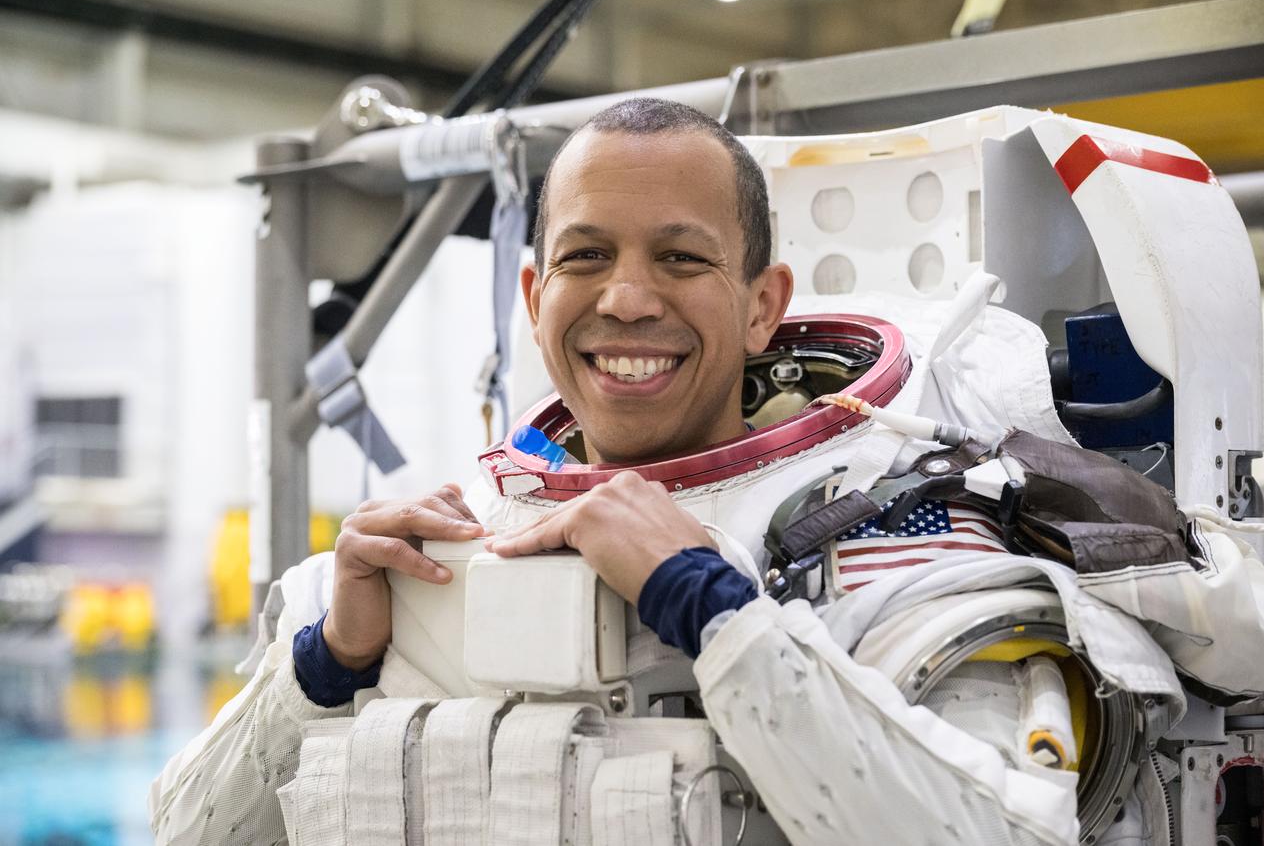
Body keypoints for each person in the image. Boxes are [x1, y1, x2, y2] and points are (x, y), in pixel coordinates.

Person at [150, 99, 1080, 845]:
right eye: (585, 256)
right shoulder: (434, 549)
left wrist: (720, 612)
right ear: (535, 294)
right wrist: (326, 664)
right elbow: (189, 831)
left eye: (680, 258)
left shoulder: (890, 543)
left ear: (764, 307)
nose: (627, 299)